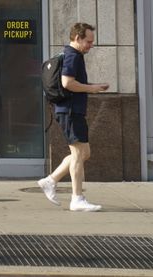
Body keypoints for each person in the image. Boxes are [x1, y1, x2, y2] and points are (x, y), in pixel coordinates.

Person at [36, 22, 109, 212]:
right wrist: (91, 89)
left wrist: (92, 86)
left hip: (70, 110)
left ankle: (50, 181)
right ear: (77, 38)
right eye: (88, 41)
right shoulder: (72, 56)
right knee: (78, 154)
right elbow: (67, 82)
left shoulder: (70, 54)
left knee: (84, 153)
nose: (91, 45)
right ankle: (77, 198)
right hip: (69, 111)